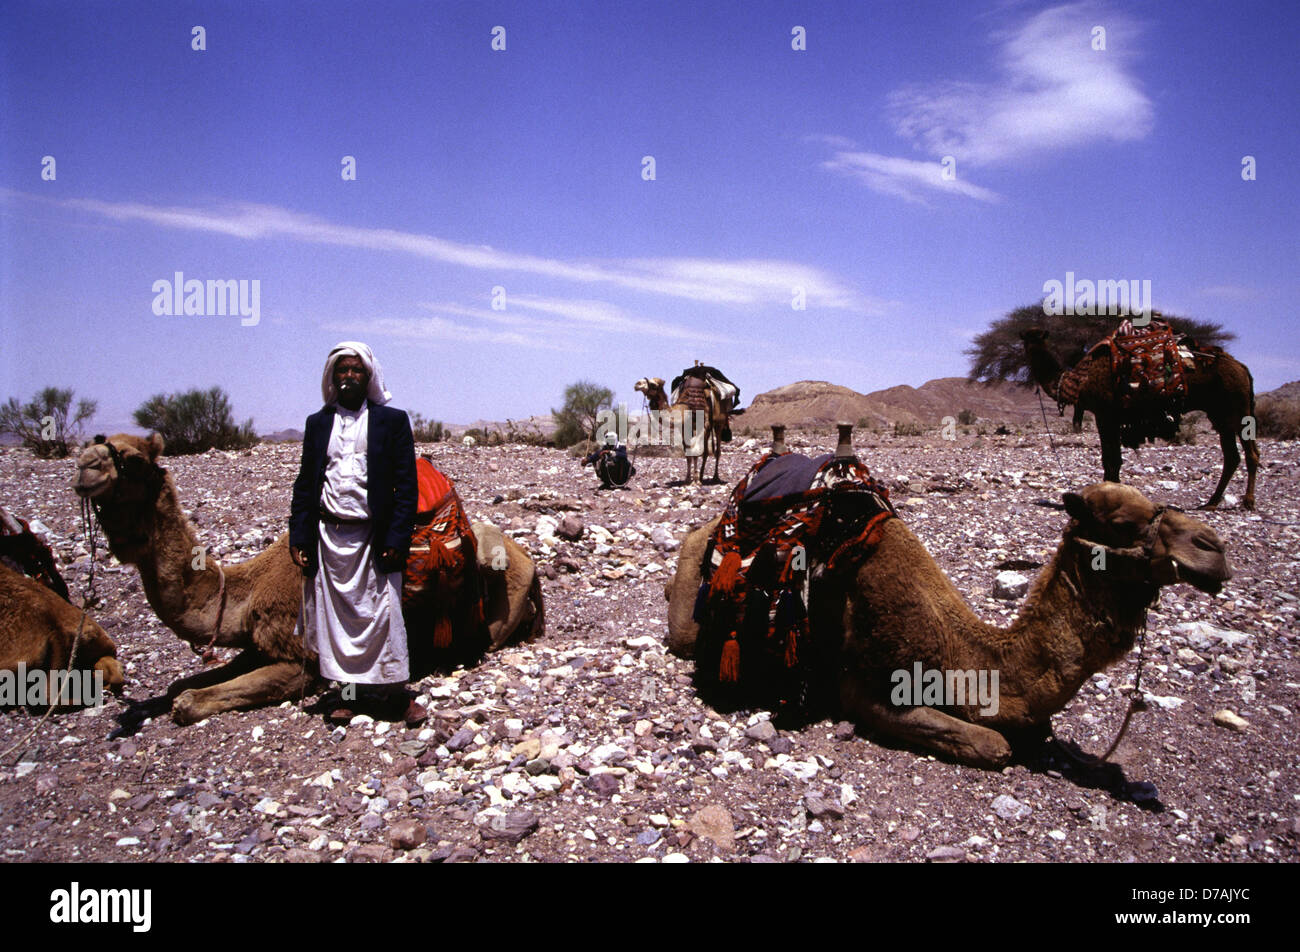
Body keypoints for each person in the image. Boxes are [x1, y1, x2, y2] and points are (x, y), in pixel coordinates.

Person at [289, 341, 426, 726]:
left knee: (384, 614)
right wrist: (299, 536)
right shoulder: (318, 424)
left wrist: (398, 540)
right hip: (330, 538)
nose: (349, 376)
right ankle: (348, 696)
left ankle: (396, 696)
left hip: (374, 537)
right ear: (332, 377)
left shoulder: (392, 421)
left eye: (357, 370)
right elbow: (306, 484)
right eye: (342, 371)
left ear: (369, 377)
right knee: (336, 624)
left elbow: (406, 486)